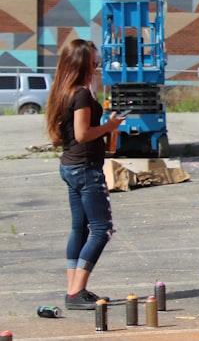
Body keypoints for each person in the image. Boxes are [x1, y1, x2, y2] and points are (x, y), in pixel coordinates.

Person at [44, 39, 126, 310]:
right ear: (82, 63)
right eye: (94, 61)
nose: (97, 65)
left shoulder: (62, 91)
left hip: (71, 166)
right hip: (85, 169)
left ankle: (74, 289)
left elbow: (61, 136)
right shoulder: (79, 94)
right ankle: (75, 291)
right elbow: (81, 135)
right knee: (102, 229)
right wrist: (109, 126)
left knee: (80, 229)